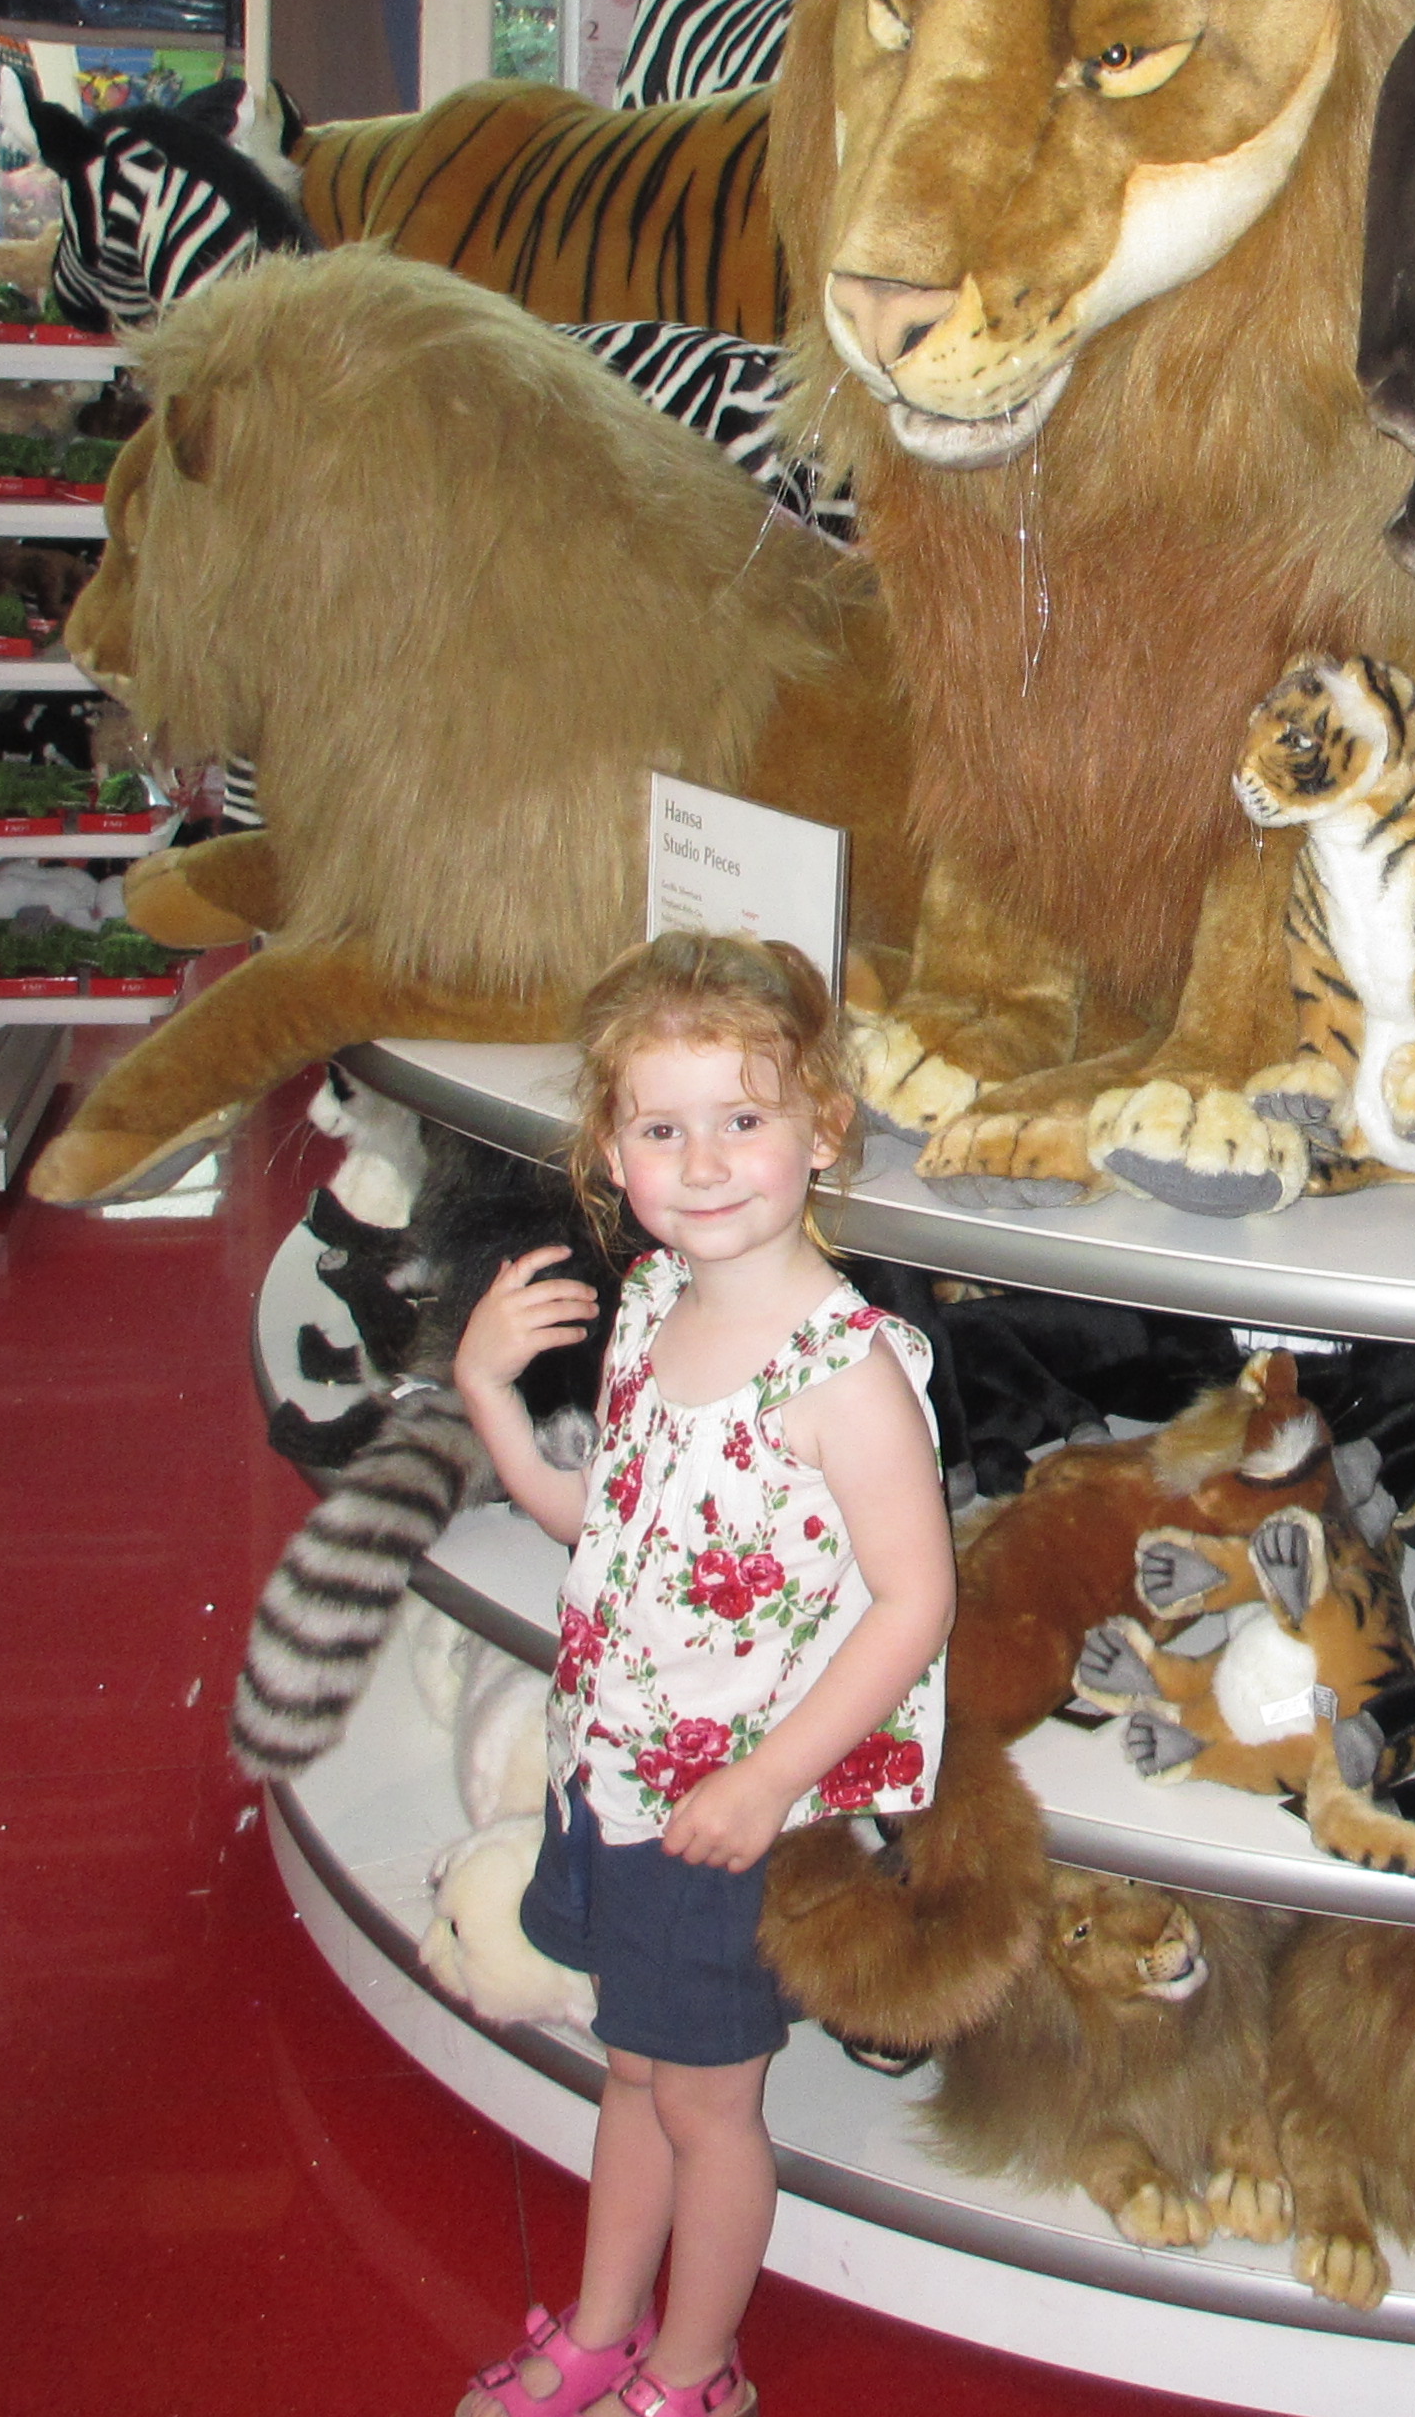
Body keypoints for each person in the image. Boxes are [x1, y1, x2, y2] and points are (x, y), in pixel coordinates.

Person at [448, 934, 956, 2417]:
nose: (708, 1161)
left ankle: (693, 2373)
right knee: (635, 2072)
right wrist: (486, 1394)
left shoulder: (846, 1374)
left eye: (744, 1117)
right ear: (613, 1154)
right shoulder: (653, 1306)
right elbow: (605, 1524)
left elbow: (915, 1602)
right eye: (662, 1129)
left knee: (708, 2106)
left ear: (824, 1129)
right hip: (613, 1781)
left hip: (728, 1815)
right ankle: (606, 2328)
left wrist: (768, 1781)